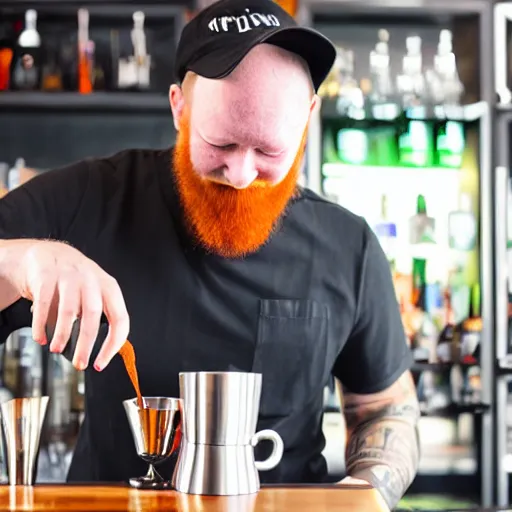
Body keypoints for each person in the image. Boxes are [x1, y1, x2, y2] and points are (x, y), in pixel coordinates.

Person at [0, 0, 420, 509]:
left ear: (308, 117)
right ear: (179, 106)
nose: (241, 174)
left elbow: (384, 409)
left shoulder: (348, 245)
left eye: (269, 151)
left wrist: (365, 493)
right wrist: (21, 259)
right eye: (220, 143)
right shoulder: (94, 197)